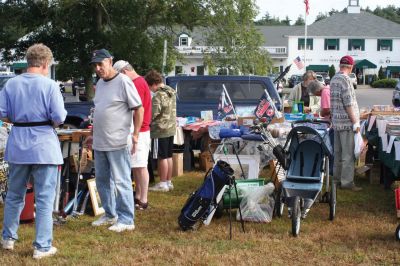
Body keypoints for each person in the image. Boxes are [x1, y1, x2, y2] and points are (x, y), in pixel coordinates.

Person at [0, 43, 67, 259]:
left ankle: (8, 238)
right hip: (43, 146)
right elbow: (59, 117)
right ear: (46, 64)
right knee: (45, 197)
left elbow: (3, 113)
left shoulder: (10, 84)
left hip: (18, 144)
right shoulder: (49, 85)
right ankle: (42, 246)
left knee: (14, 195)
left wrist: (19, 120)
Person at [87, 49, 144, 232]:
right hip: (100, 141)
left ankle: (127, 219)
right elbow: (99, 110)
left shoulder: (123, 81)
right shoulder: (101, 84)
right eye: (95, 65)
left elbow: (138, 108)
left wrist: (135, 135)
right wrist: (92, 133)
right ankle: (110, 214)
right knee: (103, 180)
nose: (98, 68)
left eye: (100, 64)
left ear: (110, 61)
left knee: (121, 181)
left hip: (118, 141)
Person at [113, 60, 151, 210]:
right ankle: (138, 196)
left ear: (123, 72)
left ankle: (143, 198)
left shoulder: (137, 83)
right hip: (139, 129)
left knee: (141, 165)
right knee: (136, 165)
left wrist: (135, 133)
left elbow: (137, 110)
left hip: (139, 130)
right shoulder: (140, 82)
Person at [330, 55, 361, 191]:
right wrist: (356, 123)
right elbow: (348, 103)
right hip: (347, 123)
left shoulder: (334, 79)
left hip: (337, 122)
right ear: (351, 67)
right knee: (348, 155)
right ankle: (347, 183)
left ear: (340, 65)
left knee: (338, 154)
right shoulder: (346, 80)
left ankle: (336, 180)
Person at [145, 70, 176, 192]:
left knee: (161, 157)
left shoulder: (158, 95)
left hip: (160, 129)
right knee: (168, 156)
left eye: (149, 86)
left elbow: (153, 113)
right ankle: (168, 181)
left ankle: (162, 183)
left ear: (153, 84)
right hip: (171, 128)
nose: (149, 89)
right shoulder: (170, 91)